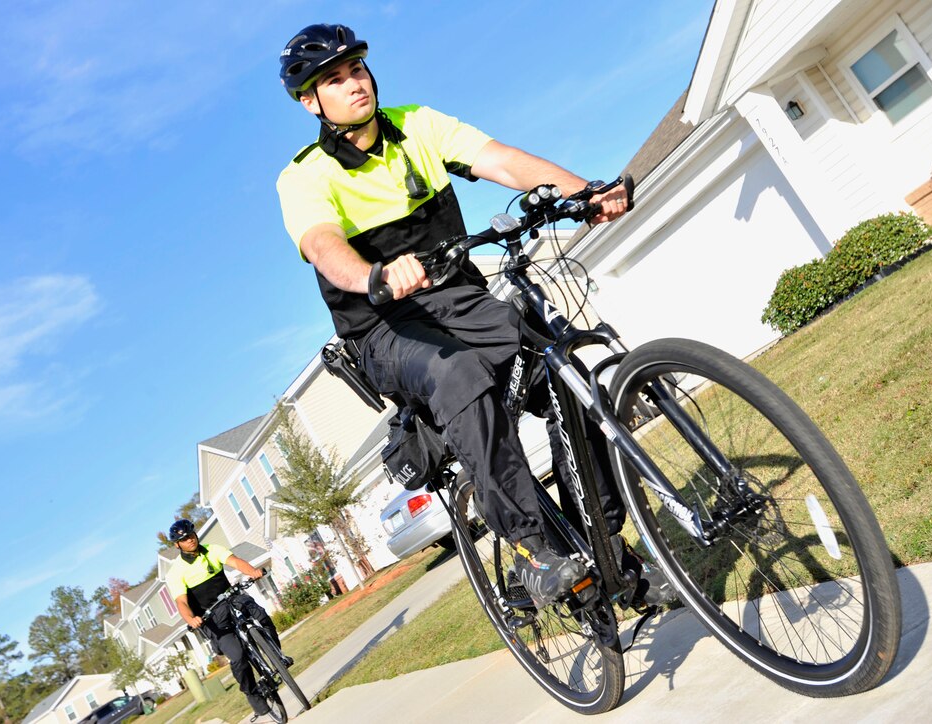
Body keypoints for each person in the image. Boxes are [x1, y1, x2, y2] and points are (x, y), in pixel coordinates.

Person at [275, 24, 672, 608]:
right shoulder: (304, 176)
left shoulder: (418, 124)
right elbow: (324, 244)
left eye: (356, 68)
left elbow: (505, 163)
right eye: (334, 80)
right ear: (311, 102)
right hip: (384, 328)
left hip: (460, 298)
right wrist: (374, 276)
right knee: (457, 375)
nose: (353, 83)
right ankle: (536, 550)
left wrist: (583, 191)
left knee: (560, 372)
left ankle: (610, 551)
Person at [164, 519, 289, 717]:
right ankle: (253, 693)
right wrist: (191, 619)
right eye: (184, 539)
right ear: (177, 544)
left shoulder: (212, 549)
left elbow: (236, 562)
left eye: (191, 535)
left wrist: (253, 571)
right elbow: (181, 602)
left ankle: (277, 657)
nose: (190, 540)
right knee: (238, 655)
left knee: (261, 616)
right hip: (210, 617)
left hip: (231, 598)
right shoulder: (176, 572)